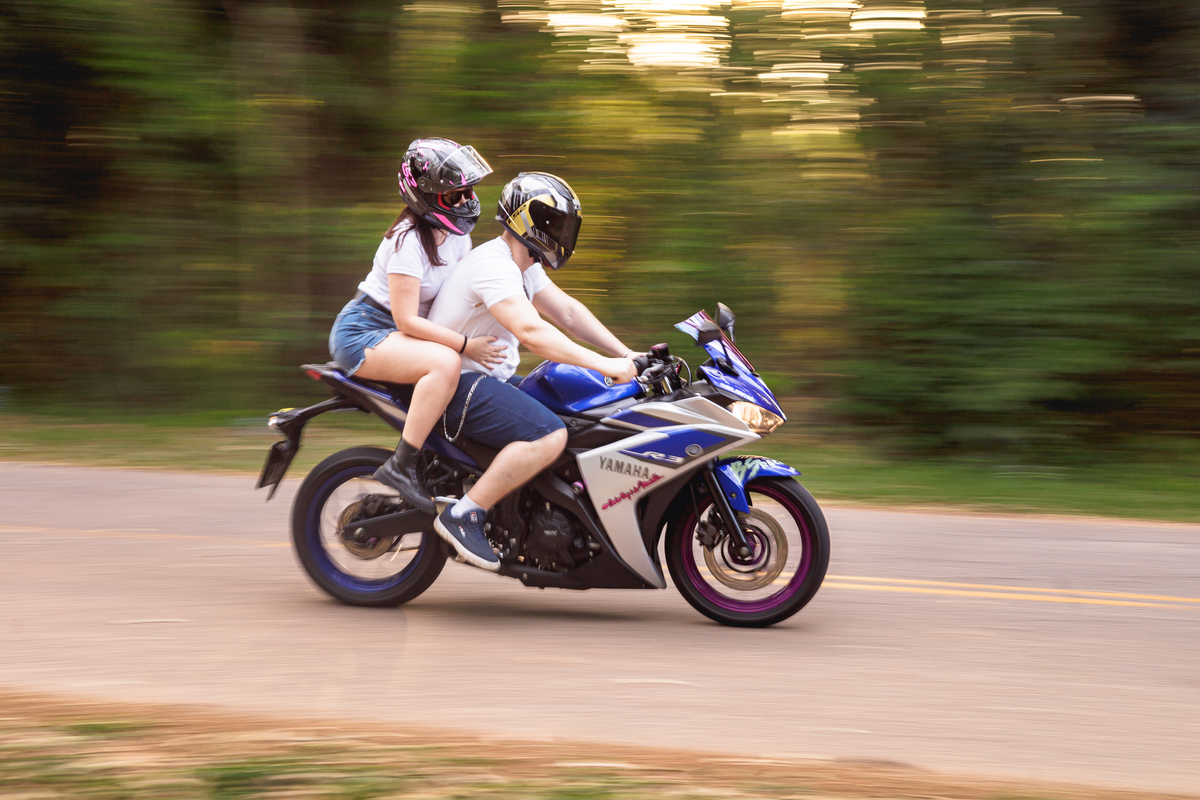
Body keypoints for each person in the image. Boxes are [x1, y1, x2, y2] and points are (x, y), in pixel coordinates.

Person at [424, 172, 639, 571]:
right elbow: (533, 332)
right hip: (457, 385)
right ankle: (465, 514)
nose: (561, 232)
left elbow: (568, 313)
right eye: (554, 222)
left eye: (565, 225)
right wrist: (608, 365)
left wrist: (627, 353)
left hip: (485, 379)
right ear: (527, 219)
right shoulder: (494, 265)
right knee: (549, 434)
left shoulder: (522, 263)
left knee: (577, 414)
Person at [328, 138, 506, 515]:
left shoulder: (458, 236)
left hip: (400, 333)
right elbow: (406, 319)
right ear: (425, 195)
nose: (466, 201)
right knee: (445, 363)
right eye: (454, 196)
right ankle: (401, 465)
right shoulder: (406, 240)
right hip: (364, 330)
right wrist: (465, 345)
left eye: (468, 192)